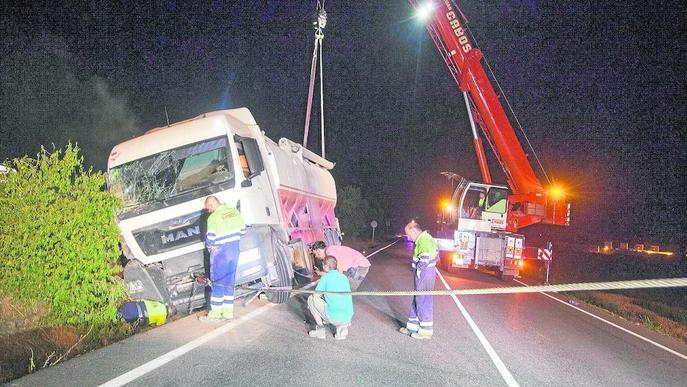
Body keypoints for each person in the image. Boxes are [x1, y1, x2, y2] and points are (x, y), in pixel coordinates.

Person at [201, 195, 246, 321]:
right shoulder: (235, 212)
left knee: (218, 282)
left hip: (220, 254)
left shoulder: (213, 217)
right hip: (234, 251)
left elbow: (210, 239)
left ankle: (215, 314)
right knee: (229, 283)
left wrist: (210, 247)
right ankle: (228, 313)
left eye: (208, 208)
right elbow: (243, 230)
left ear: (211, 205)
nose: (208, 210)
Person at [399, 220, 438, 339]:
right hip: (426, 274)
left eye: (409, 234)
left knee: (423, 300)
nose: (408, 236)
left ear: (414, 230)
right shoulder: (425, 238)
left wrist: (419, 273)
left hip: (425, 274)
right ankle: (412, 327)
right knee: (417, 299)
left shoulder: (424, 240)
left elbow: (424, 258)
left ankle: (425, 331)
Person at [307, 256, 354, 340]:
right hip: (348, 316)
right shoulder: (344, 277)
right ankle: (341, 329)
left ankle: (320, 331)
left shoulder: (326, 277)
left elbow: (316, 295)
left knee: (311, 299)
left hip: (334, 316)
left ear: (325, 266)